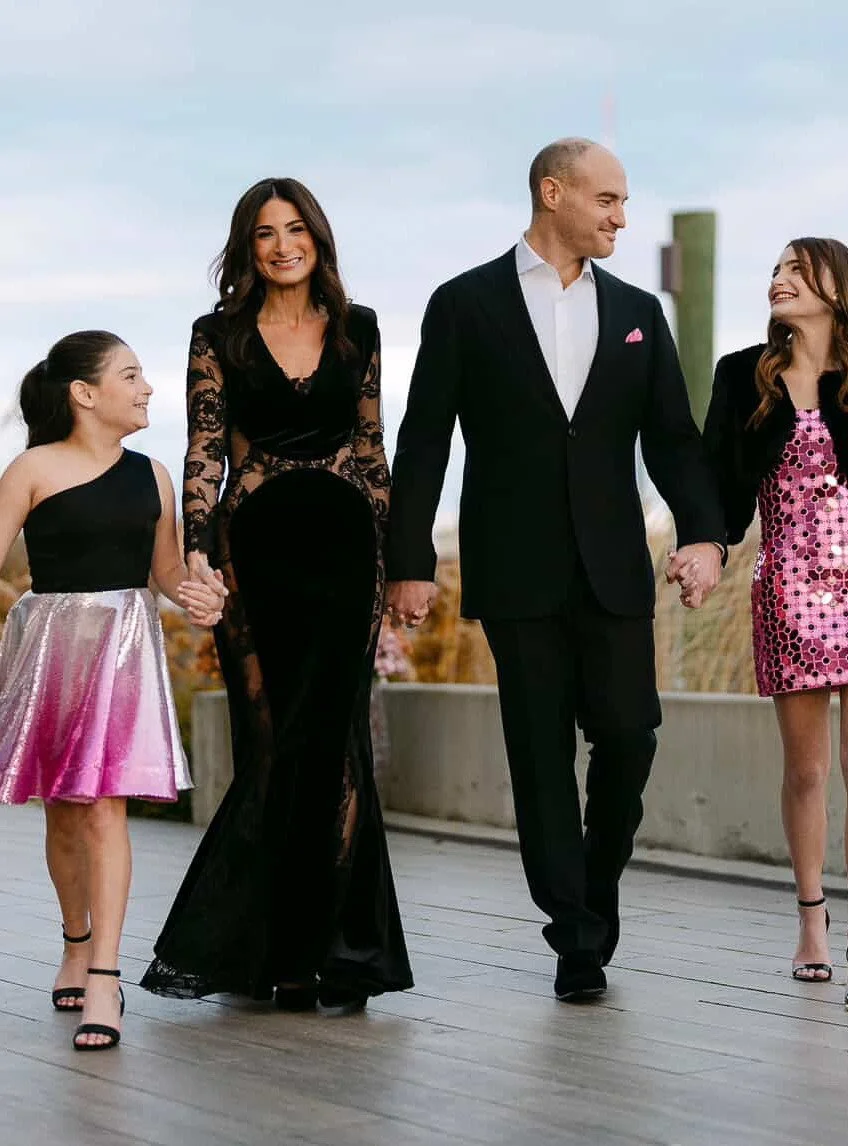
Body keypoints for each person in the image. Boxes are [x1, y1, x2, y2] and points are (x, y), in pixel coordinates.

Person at [385, 139, 726, 1001]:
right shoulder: (464, 304)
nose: (620, 217)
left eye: (623, 202)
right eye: (607, 199)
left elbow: (673, 441)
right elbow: (424, 440)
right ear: (552, 192)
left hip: (614, 565)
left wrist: (704, 536)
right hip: (515, 566)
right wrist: (410, 561)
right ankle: (573, 936)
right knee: (539, 755)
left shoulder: (637, 311)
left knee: (629, 734)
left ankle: (592, 893)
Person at [141, 178, 413, 1010]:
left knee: (337, 744)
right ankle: (274, 949)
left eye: (296, 230)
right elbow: (204, 450)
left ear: (317, 240)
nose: (282, 245)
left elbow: (371, 448)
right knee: (271, 742)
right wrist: (196, 555)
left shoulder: (359, 327)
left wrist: (401, 559)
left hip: (347, 552)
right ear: (247, 247)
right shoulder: (217, 333)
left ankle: (347, 954)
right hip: (252, 552)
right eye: (265, 233)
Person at [703, 237, 848, 1014]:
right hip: (788, 589)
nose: (779, 280)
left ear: (837, 286)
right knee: (805, 771)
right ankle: (810, 921)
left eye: (796, 269)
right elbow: (717, 482)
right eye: (774, 270)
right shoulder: (741, 376)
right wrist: (706, 547)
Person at [0, 330, 225, 1051]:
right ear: (84, 393)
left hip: (124, 654)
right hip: (52, 653)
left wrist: (198, 594)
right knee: (64, 814)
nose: (147, 387)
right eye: (131, 375)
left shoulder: (153, 475)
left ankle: (104, 975)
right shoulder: (32, 468)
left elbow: (165, 572)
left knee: (105, 810)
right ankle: (75, 940)